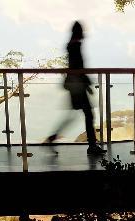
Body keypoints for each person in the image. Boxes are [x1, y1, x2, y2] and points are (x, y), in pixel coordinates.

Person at [46, 22, 106, 155]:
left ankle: (52, 138)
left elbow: (76, 67)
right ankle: (91, 146)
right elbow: (78, 67)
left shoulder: (71, 45)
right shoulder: (75, 46)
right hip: (78, 85)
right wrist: (87, 84)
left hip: (75, 85)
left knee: (78, 115)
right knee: (88, 115)